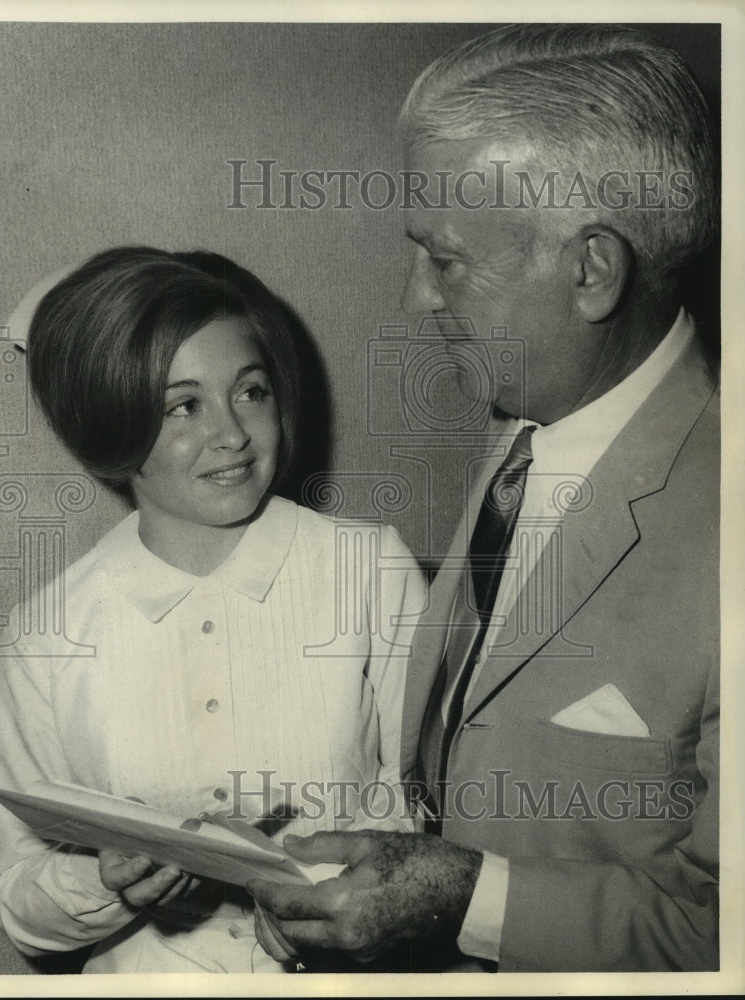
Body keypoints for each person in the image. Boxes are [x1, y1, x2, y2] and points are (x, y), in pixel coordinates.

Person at [248, 24, 720, 972]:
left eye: (446, 260)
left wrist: (465, 899)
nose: (415, 294)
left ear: (590, 270)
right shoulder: (525, 419)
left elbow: (721, 931)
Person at [0, 247, 426, 973]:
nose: (232, 433)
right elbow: (13, 897)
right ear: (113, 428)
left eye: (250, 391)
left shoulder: (368, 569)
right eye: (183, 405)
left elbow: (431, 804)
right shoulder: (45, 634)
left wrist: (341, 897)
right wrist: (104, 882)